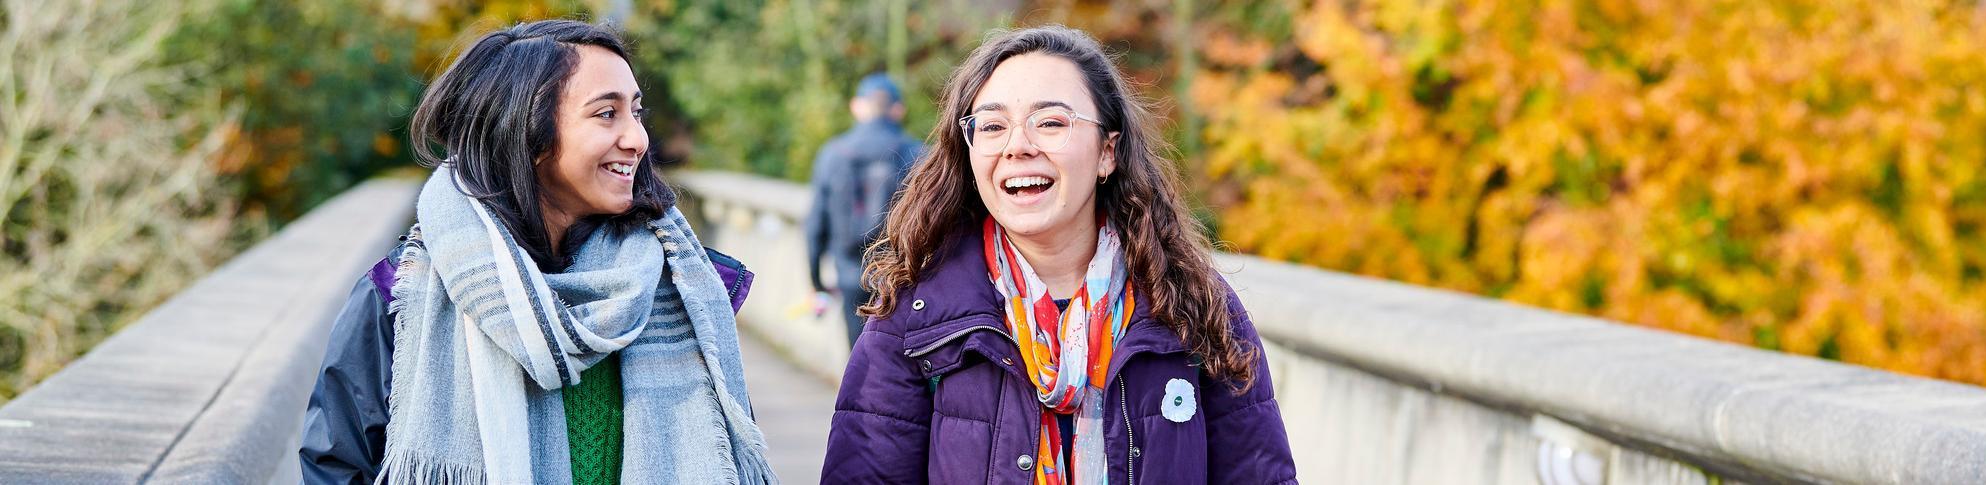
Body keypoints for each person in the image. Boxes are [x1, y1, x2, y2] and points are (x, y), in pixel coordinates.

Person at [298, 20, 774, 484]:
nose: (638, 139)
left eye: (636, 111)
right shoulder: (400, 298)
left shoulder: (682, 288)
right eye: (607, 113)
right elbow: (339, 467)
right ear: (527, 135)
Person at [820, 25, 1297, 484]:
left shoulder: (1191, 306)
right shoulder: (915, 319)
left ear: (1108, 152)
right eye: (992, 126)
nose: (1017, 146)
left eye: (1050, 122)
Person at [804, 72, 924, 345]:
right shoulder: (918, 154)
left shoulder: (832, 154)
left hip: (849, 277)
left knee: (858, 360)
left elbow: (814, 225)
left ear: (857, 107)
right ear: (898, 109)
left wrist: (816, 280)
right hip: (903, 280)